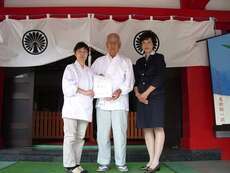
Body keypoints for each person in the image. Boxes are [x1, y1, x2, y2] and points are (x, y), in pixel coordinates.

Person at [91, 33, 134, 172]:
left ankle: (121, 162)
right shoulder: (98, 62)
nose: (112, 45)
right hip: (103, 103)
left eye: (115, 42)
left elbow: (130, 82)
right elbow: (91, 80)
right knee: (102, 134)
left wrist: (120, 91)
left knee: (120, 134)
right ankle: (103, 162)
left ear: (119, 45)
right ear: (106, 45)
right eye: (110, 42)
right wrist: (100, 89)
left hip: (120, 102)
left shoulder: (126, 61)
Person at [134, 30, 166, 173]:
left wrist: (145, 93)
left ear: (154, 44)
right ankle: (151, 160)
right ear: (141, 45)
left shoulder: (159, 58)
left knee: (157, 127)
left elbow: (159, 77)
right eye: (144, 42)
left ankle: (156, 161)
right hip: (141, 97)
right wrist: (138, 94)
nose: (146, 45)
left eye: (149, 42)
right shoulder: (139, 61)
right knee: (147, 128)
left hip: (156, 96)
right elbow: (135, 80)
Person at [62, 42, 94, 173]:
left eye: (85, 52)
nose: (82, 54)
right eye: (80, 51)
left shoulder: (89, 70)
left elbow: (94, 88)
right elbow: (67, 88)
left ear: (87, 54)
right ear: (75, 53)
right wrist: (84, 92)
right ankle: (69, 165)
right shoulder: (70, 68)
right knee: (70, 137)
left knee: (80, 138)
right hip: (71, 109)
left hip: (84, 109)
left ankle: (76, 163)